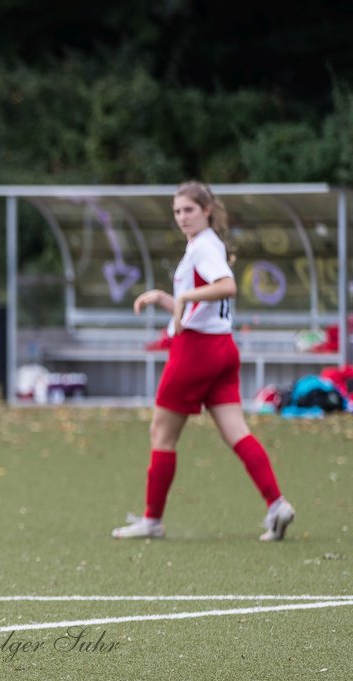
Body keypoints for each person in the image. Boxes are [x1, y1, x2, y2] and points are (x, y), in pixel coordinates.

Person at [112, 181, 295, 541]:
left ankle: (152, 520)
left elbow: (226, 286)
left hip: (196, 353)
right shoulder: (206, 246)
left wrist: (183, 298)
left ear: (207, 210)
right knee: (237, 433)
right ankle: (278, 505)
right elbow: (201, 304)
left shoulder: (204, 247)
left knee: (161, 434)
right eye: (177, 211)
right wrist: (166, 298)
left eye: (189, 210)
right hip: (222, 350)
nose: (182, 217)